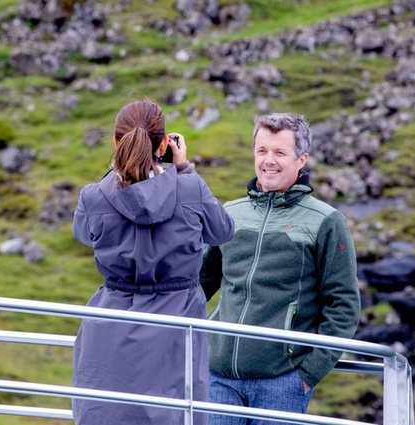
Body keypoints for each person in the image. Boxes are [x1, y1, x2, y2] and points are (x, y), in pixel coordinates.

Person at [71, 99, 234, 425]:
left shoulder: (94, 196)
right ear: (164, 144)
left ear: (116, 143)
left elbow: (82, 234)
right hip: (176, 325)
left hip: (110, 328)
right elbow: (223, 231)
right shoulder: (190, 189)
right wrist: (185, 169)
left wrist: (116, 173)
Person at [200, 112, 361, 424]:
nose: (268, 161)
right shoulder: (230, 214)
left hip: (282, 384)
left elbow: (343, 306)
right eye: (262, 151)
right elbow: (197, 287)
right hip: (217, 380)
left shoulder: (326, 222)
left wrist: (307, 374)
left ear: (301, 159)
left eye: (279, 152)